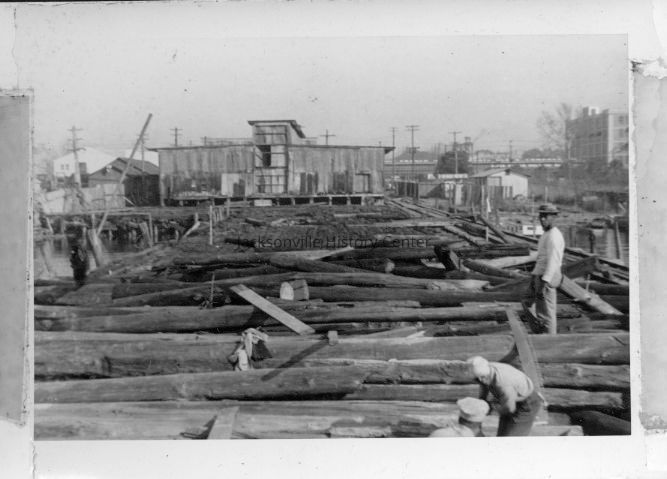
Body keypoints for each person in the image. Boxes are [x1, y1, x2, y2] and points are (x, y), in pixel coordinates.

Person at [467, 356, 542, 437]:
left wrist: (493, 408)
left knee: (511, 439)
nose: (479, 381)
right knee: (502, 436)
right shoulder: (485, 368)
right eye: (476, 379)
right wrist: (483, 400)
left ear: (483, 376)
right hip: (509, 399)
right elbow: (484, 384)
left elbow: (509, 408)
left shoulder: (502, 383)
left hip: (526, 404)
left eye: (480, 378)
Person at [526, 203, 565, 334]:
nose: (542, 219)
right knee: (527, 302)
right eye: (541, 216)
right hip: (540, 274)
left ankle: (549, 339)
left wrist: (545, 280)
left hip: (547, 276)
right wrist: (534, 275)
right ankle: (540, 331)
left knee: (546, 312)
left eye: (545, 216)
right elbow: (542, 257)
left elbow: (553, 260)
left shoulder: (554, 236)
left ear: (553, 217)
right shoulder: (546, 234)